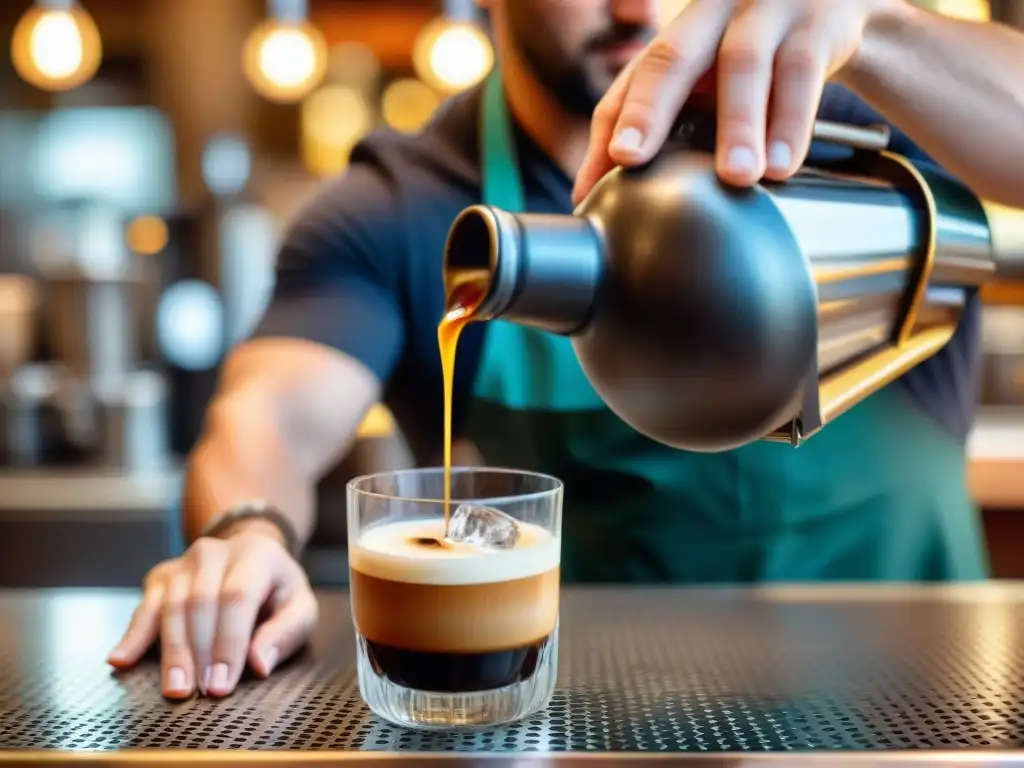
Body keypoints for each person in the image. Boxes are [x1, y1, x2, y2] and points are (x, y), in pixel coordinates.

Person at [108, 0, 1024, 700]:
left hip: (919, 720)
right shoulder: (402, 204)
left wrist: (878, 25)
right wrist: (244, 532)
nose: (634, 6)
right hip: (597, 728)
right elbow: (264, 413)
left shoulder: (864, 135)